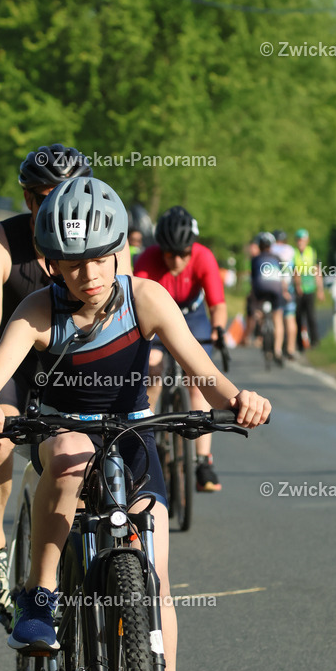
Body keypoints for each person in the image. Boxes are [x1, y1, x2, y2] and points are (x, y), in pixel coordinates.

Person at [0, 176, 271, 671]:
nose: (89, 275)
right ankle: (41, 594)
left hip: (132, 444)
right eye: (73, 264)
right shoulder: (39, 309)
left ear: (118, 252)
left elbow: (203, 372)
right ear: (51, 263)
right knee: (72, 453)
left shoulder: (147, 299)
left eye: (100, 259)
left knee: (152, 575)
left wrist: (239, 399)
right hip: (63, 435)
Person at [0, 144, 119, 612]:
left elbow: (126, 317)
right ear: (30, 201)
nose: (59, 207)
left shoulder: (107, 233)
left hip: (76, 363)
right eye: (46, 198)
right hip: (15, 364)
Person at [134, 206, 228, 492]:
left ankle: (203, 461)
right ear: (159, 248)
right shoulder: (147, 259)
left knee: (197, 381)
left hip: (193, 317)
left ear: (192, 248)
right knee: (153, 369)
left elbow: (218, 305)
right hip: (157, 317)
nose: (176, 260)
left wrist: (219, 330)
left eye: (183, 254)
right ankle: (145, 435)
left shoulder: (203, 257)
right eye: (169, 254)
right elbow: (134, 302)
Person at [250, 232, 285, 364]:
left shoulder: (255, 259)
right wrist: (285, 292)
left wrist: (253, 298)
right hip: (276, 287)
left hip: (261, 287)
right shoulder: (277, 257)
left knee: (257, 308)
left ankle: (259, 330)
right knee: (278, 318)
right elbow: (283, 278)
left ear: (259, 246)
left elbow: (253, 281)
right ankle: (277, 350)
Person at [293, 228, 324, 350]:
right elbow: (294, 271)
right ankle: (299, 344)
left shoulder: (311, 252)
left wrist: (320, 289)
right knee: (298, 317)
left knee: (311, 316)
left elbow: (317, 271)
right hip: (298, 290)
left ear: (307, 241)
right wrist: (297, 285)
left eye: (303, 240)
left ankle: (315, 342)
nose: (301, 242)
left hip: (310, 289)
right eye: (299, 240)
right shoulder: (294, 254)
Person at [272, 230, 297, 359]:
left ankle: (277, 349)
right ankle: (291, 349)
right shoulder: (290, 250)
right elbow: (295, 271)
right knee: (290, 318)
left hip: (275, 288)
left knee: (277, 319)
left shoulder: (271, 249)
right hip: (290, 288)